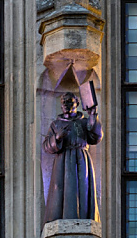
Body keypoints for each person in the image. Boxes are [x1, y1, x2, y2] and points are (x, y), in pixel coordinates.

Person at [43, 91, 102, 224]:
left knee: (83, 190)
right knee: (62, 191)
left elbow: (96, 137)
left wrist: (93, 115)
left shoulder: (84, 122)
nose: (65, 104)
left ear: (77, 104)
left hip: (81, 159)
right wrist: (57, 137)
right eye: (63, 101)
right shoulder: (56, 124)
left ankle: (83, 219)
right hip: (62, 162)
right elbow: (46, 146)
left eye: (69, 101)